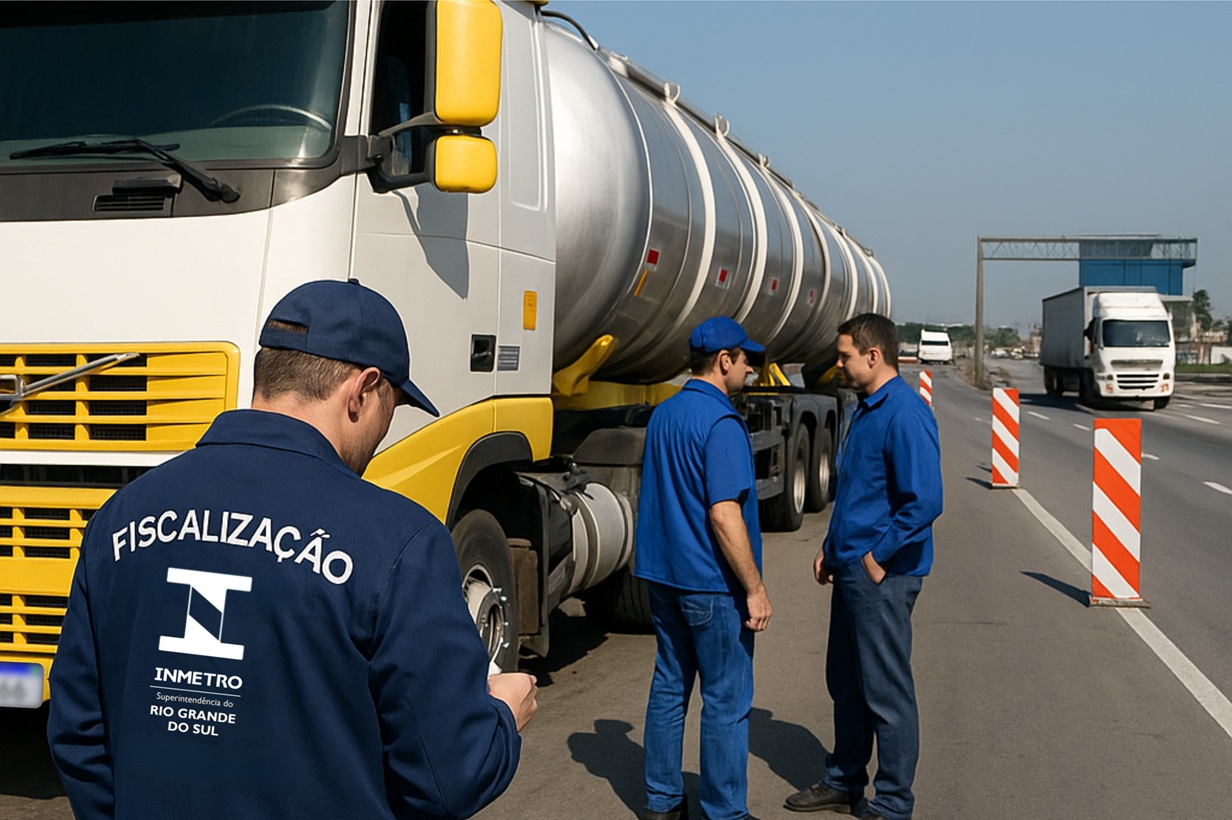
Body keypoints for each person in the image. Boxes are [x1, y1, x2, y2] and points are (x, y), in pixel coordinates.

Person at [48, 279, 537, 819]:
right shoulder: (400, 542)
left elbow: (78, 732)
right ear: (362, 389)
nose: (384, 430)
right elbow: (451, 777)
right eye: (392, 405)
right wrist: (500, 717)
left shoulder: (122, 515)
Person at [784, 314, 942, 820]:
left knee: (886, 692)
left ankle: (893, 803)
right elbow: (855, 492)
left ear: (874, 356)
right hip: (852, 568)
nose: (839, 362)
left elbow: (924, 501)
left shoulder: (904, 413)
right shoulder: (865, 409)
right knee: (846, 682)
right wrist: (832, 550)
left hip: (884, 576)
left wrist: (878, 556)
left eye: (846, 354)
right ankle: (845, 779)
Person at [634, 316, 773, 820]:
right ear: (724, 361)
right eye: (745, 360)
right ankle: (725, 812)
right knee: (725, 700)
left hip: (664, 574)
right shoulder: (722, 423)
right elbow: (723, 512)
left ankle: (663, 801)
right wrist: (754, 588)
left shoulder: (665, 415)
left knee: (670, 686)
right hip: (712, 585)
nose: (750, 370)